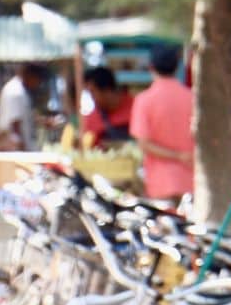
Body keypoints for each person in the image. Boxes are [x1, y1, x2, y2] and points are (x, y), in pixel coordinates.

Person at [129, 43, 195, 202]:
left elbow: (143, 144)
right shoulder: (192, 98)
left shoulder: (144, 100)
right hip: (191, 180)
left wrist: (176, 156)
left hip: (160, 182)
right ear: (177, 66)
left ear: (151, 67)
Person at [81, 67, 134, 150]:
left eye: (92, 92)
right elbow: (87, 147)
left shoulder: (137, 107)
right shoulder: (92, 119)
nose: (92, 98)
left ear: (107, 90)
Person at [0, 62, 48, 150]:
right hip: (15, 149)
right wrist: (23, 149)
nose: (37, 84)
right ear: (30, 75)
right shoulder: (15, 91)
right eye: (38, 80)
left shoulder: (21, 90)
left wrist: (42, 121)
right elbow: (15, 124)